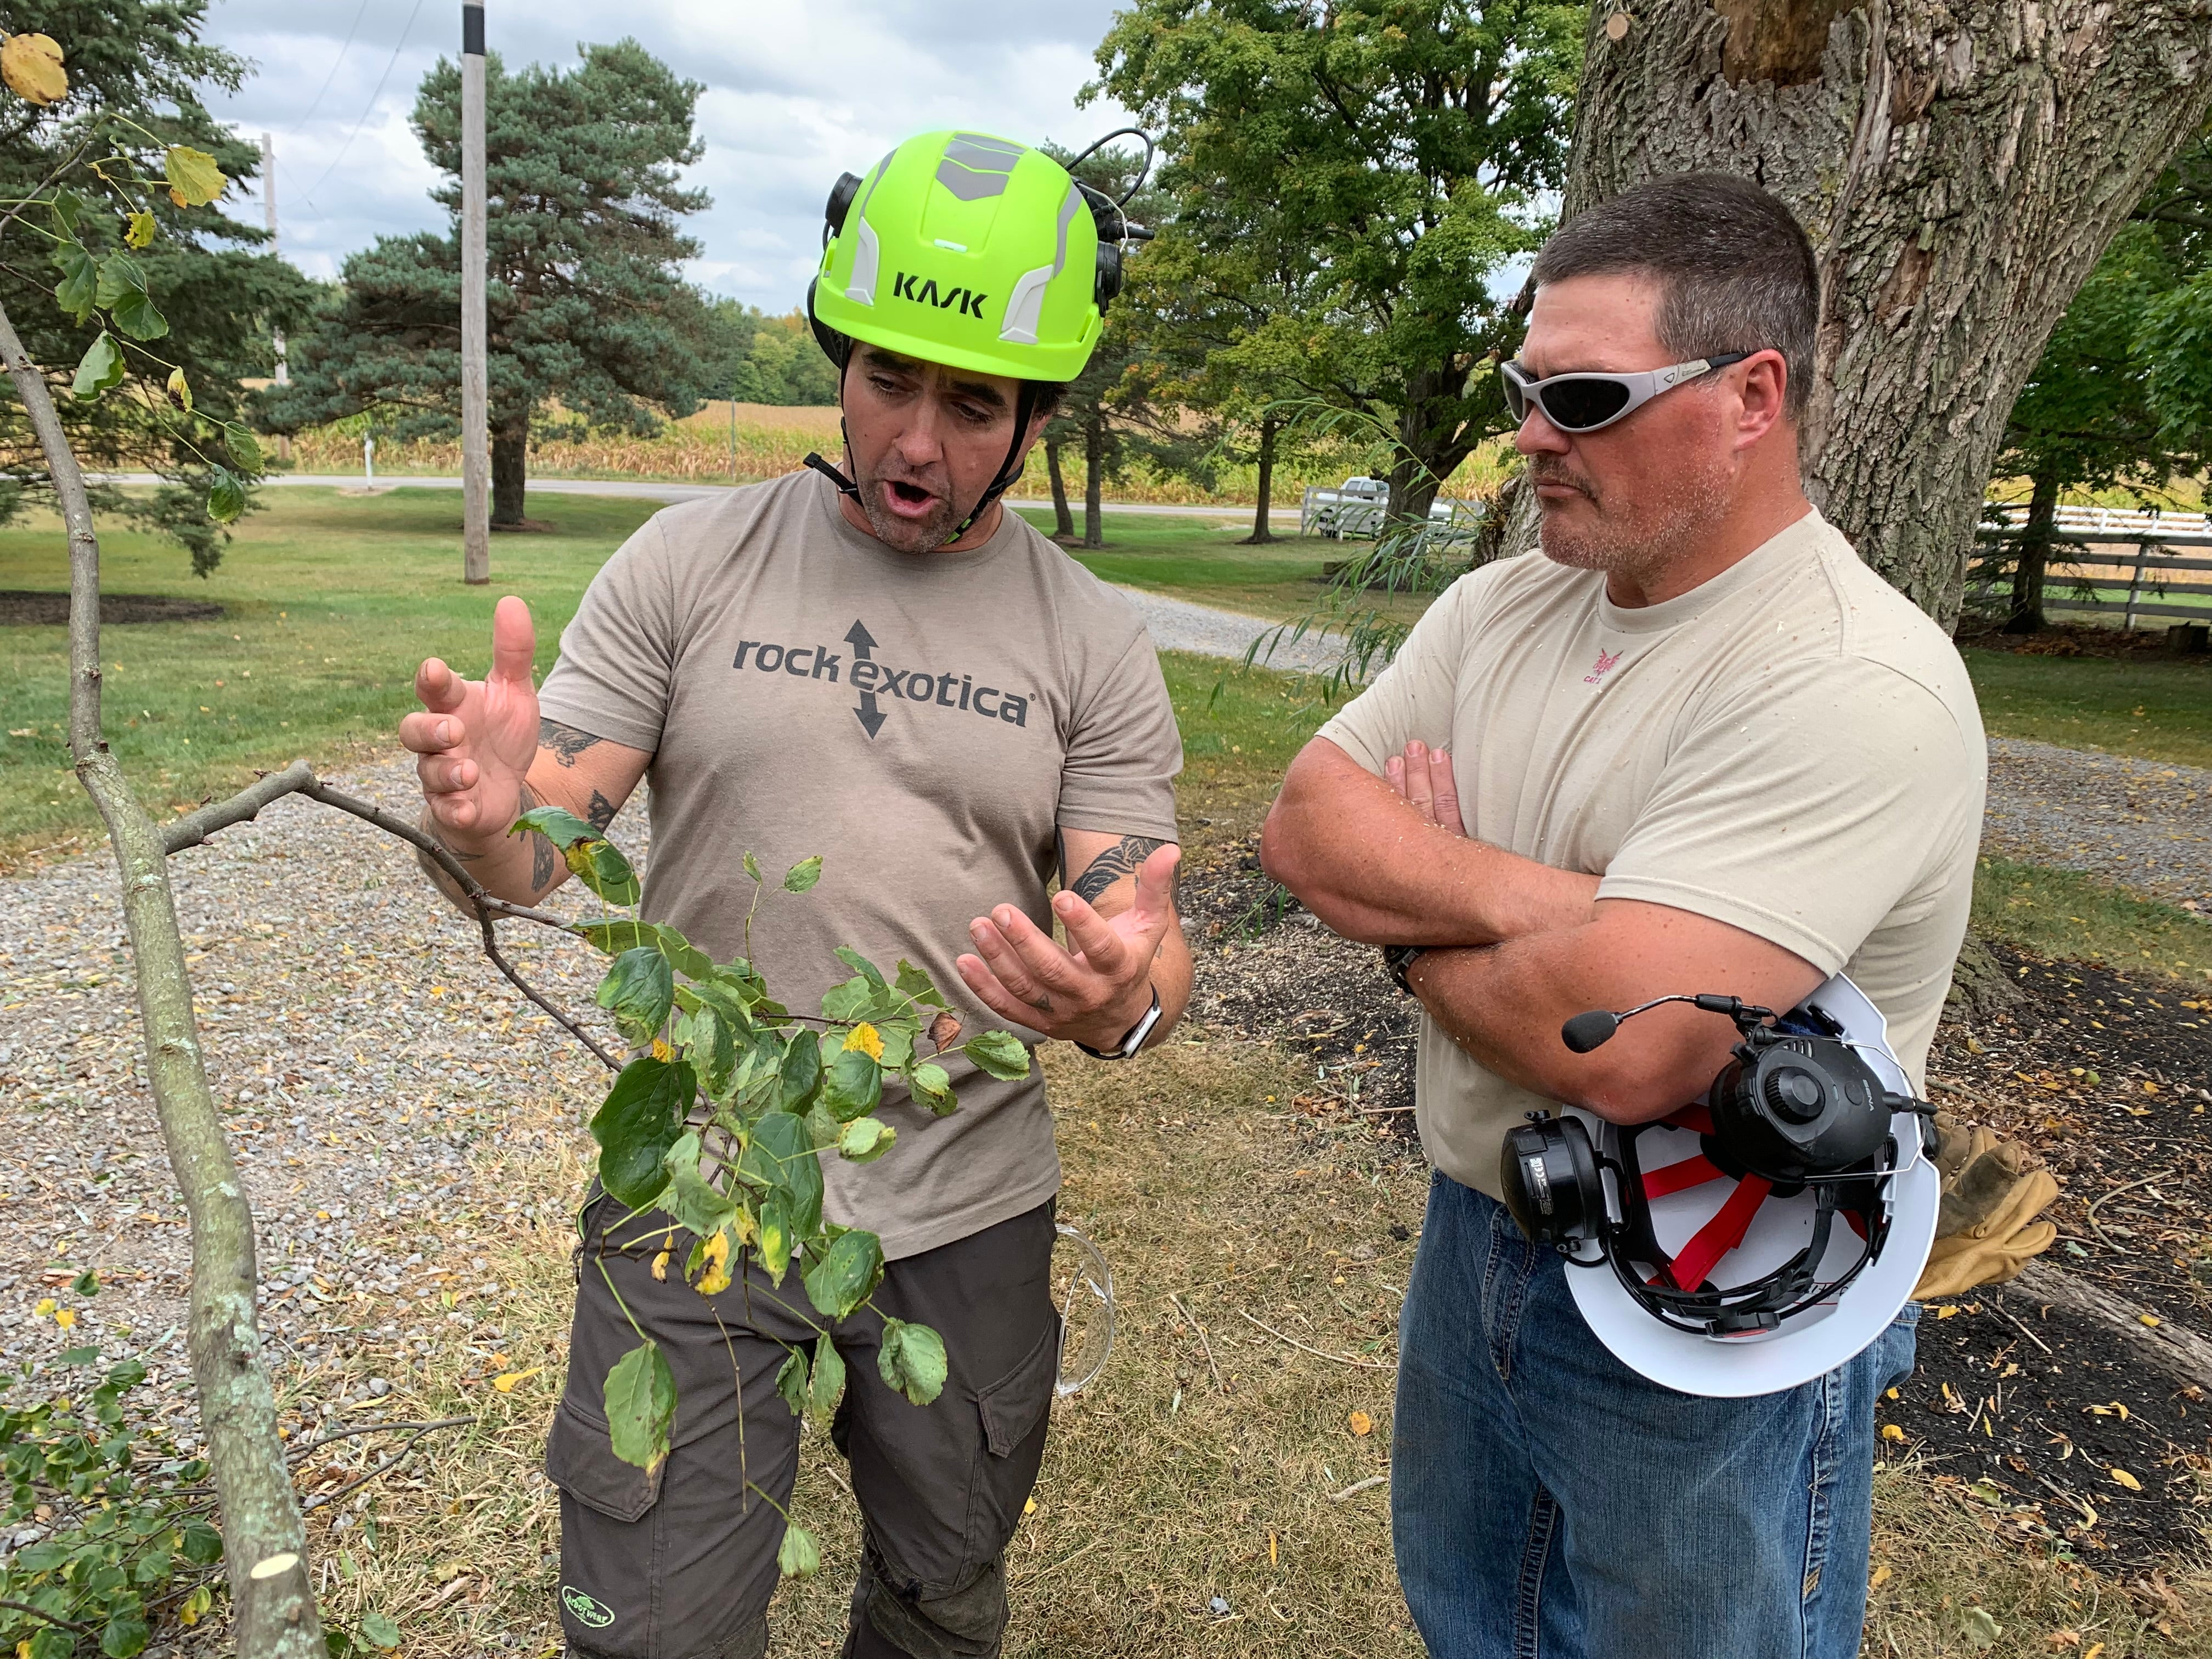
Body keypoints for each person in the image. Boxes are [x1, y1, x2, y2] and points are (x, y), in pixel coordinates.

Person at [398, 129, 1190, 1659]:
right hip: (701, 1192)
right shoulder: (688, 566)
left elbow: (1145, 933)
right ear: (838, 352)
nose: (919, 437)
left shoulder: (1090, 639)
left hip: (968, 1211)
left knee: (941, 1598)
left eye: (972, 403)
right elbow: (536, 847)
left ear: (1032, 416)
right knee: (652, 1635)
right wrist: (487, 820)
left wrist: (1126, 999)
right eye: (889, 377)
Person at [1261, 171, 1987, 1659]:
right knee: (1473, 1621)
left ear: (1752, 395)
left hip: (1717, 1298)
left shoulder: (1855, 679)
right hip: (1480, 1234)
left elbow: (1628, 1050)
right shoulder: (1501, 607)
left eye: (1584, 396)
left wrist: (1413, 916)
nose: (1532, 433)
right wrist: (1581, 919)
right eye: (1528, 386)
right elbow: (1304, 828)